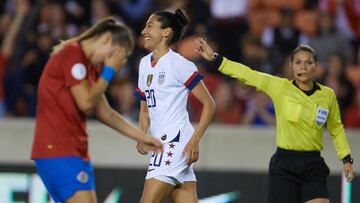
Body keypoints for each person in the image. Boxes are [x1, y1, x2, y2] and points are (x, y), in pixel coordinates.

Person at [195, 38, 355, 203]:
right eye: (298, 62)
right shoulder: (280, 87)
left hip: (313, 164)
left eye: (308, 62)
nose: (304, 66)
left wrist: (347, 159)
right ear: (291, 66)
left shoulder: (327, 95)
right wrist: (215, 58)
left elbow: (336, 129)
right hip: (285, 164)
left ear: (316, 66)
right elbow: (248, 74)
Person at [31, 17, 163, 203]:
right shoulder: (72, 55)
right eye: (113, 56)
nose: (111, 64)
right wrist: (109, 71)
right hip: (58, 151)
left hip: (73, 152)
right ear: (106, 39)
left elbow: (106, 113)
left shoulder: (88, 68)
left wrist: (142, 137)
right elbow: (86, 103)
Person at [133, 9, 216, 203]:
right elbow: (145, 109)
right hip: (159, 144)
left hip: (175, 143)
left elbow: (209, 105)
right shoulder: (144, 64)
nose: (144, 31)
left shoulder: (179, 64)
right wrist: (142, 135)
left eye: (149, 26)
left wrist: (194, 140)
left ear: (166, 32)